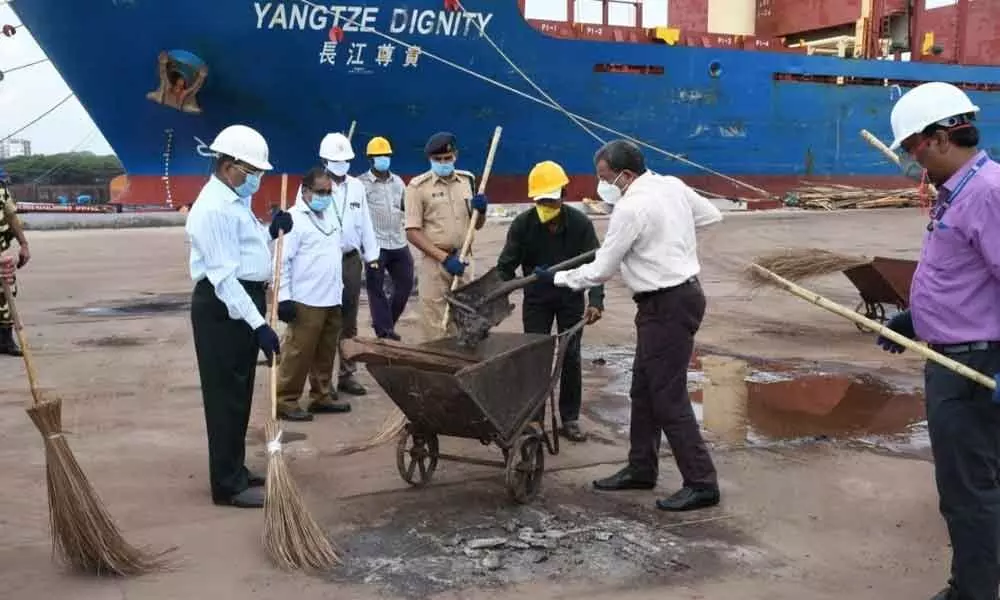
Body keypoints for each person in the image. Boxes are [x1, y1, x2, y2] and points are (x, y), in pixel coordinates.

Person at [538, 139, 723, 512]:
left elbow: (601, 270)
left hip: (667, 305)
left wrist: (556, 279)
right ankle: (641, 466)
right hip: (677, 298)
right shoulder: (671, 185)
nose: (601, 184)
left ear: (624, 175)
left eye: (605, 177)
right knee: (643, 388)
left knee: (668, 397)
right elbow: (711, 216)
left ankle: (702, 483)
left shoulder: (630, 208)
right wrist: (670, 238)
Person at [877, 82, 1000, 600]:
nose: (911, 162)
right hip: (952, 355)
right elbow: (967, 276)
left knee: (968, 492)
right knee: (973, 488)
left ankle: (973, 593)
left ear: (942, 137)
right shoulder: (962, 191)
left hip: (974, 370)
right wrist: (916, 318)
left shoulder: (989, 192)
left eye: (911, 149)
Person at [185, 124, 292, 509]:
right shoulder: (212, 209)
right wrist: (259, 324)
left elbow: (244, 251)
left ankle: (236, 468)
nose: (258, 180)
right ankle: (226, 485)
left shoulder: (233, 199)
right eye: (253, 172)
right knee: (225, 396)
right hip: (223, 307)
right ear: (229, 166)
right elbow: (225, 279)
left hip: (242, 302)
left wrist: (271, 233)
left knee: (240, 391)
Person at [496, 160, 604, 442]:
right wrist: (501, 291)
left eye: (551, 200)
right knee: (535, 358)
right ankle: (533, 419)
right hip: (537, 300)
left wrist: (596, 300)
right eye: (542, 200)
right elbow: (506, 266)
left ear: (562, 196)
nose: (547, 205)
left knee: (570, 356)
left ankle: (570, 418)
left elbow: (597, 266)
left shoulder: (580, 224)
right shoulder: (523, 224)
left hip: (570, 299)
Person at [274, 167, 353, 422]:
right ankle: (285, 399)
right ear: (306, 191)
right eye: (321, 192)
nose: (325, 196)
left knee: (325, 350)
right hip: (306, 298)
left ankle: (321, 395)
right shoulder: (293, 220)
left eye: (329, 192)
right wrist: (283, 297)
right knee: (298, 352)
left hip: (331, 295)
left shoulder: (330, 216)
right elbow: (281, 261)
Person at [404, 132, 489, 341]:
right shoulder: (417, 187)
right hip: (436, 263)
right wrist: (445, 259)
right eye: (438, 160)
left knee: (468, 319)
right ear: (430, 160)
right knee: (437, 325)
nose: (443, 163)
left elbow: (475, 225)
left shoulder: (467, 181)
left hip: (464, 259)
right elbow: (412, 232)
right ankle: (439, 369)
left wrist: (482, 210)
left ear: (455, 156)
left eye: (447, 159)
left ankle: (465, 368)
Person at [318, 132, 380, 398]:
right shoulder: (314, 185)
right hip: (324, 260)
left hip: (350, 260)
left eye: (345, 160)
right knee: (324, 320)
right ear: (325, 160)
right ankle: (322, 381)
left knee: (349, 321)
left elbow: (364, 220)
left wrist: (373, 255)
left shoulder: (356, 186)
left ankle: (347, 374)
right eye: (336, 160)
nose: (341, 165)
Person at [358, 136, 413, 341]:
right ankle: (385, 332)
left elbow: (407, 207)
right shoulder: (360, 184)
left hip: (398, 242)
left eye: (386, 155)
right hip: (375, 244)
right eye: (378, 156)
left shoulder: (398, 182)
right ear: (370, 159)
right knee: (376, 287)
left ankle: (385, 321)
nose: (383, 159)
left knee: (405, 284)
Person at [0, 167, 29, 356]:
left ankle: (4, 341)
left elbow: (11, 216)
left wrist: (24, 244)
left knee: (5, 292)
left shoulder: (1, 190)